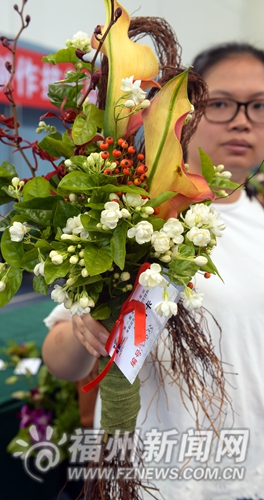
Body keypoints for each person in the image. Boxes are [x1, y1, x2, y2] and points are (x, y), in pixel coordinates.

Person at [42, 43, 264, 500]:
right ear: (185, 110)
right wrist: (88, 328)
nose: (243, 120)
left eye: (260, 106)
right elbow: (60, 361)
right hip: (149, 481)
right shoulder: (134, 213)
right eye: (222, 103)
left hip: (248, 478)